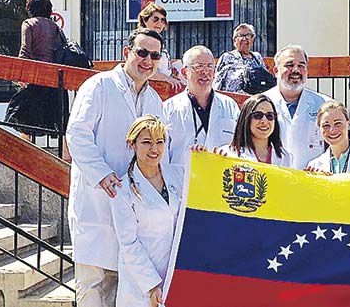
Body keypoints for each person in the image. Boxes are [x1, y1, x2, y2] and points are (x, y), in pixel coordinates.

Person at [66, 28, 166, 307]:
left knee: (120, 290)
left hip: (132, 211)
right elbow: (77, 134)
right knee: (92, 289)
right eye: (142, 53)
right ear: (126, 53)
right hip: (96, 204)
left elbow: (158, 151)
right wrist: (102, 174)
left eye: (154, 55)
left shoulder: (154, 100)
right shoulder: (99, 86)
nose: (147, 60)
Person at [110, 115, 183, 307]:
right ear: (132, 144)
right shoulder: (122, 189)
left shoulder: (178, 175)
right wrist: (151, 285)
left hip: (175, 275)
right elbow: (128, 243)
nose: (154, 149)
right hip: (140, 284)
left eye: (160, 142)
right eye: (147, 142)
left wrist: (204, 155)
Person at [6, 0, 70, 159]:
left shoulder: (29, 24)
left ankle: (26, 154)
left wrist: (21, 76)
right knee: (60, 121)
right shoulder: (55, 27)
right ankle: (66, 157)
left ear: (30, 7)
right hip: (55, 81)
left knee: (22, 116)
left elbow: (25, 51)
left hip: (36, 79)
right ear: (48, 8)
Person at [163, 45, 240, 171]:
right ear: (184, 72)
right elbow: (162, 154)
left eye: (210, 66)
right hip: (181, 183)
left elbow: (241, 146)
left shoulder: (230, 106)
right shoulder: (168, 109)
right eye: (198, 66)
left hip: (221, 180)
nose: (205, 72)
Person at [263, 44, 329, 169]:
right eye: (289, 65)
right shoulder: (260, 105)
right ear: (276, 71)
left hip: (311, 180)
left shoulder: (323, 104)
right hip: (272, 179)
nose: (296, 70)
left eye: (301, 66)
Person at [215, 94, 291, 166]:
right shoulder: (227, 154)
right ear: (246, 119)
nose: (264, 121)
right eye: (258, 115)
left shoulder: (285, 158)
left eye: (270, 116)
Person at [137, 2, 184, 91]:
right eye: (155, 19)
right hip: (150, 89)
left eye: (163, 20)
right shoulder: (142, 41)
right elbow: (146, 70)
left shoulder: (157, 40)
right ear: (144, 20)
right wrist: (167, 78)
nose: (159, 23)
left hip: (162, 88)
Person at [213, 23, 270, 94]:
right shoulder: (227, 57)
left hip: (255, 97)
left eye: (248, 35)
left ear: (252, 39)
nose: (244, 38)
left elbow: (266, 78)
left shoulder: (257, 57)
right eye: (240, 36)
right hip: (233, 96)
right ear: (234, 40)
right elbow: (218, 81)